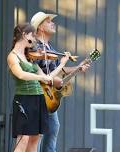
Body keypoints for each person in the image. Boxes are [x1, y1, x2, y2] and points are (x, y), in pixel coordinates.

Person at [30, 12, 90, 152]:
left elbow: (59, 70)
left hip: (49, 96)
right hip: (38, 94)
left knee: (53, 128)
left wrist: (77, 68)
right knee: (37, 134)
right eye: (48, 21)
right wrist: (53, 79)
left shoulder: (51, 49)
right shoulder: (35, 47)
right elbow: (34, 70)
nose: (53, 23)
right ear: (40, 28)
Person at [7, 23, 70, 152]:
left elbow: (48, 78)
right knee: (23, 138)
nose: (35, 39)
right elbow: (21, 74)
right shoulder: (12, 56)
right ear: (25, 35)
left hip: (38, 99)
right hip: (24, 99)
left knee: (35, 138)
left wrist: (61, 64)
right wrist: (41, 78)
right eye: (33, 36)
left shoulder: (30, 57)